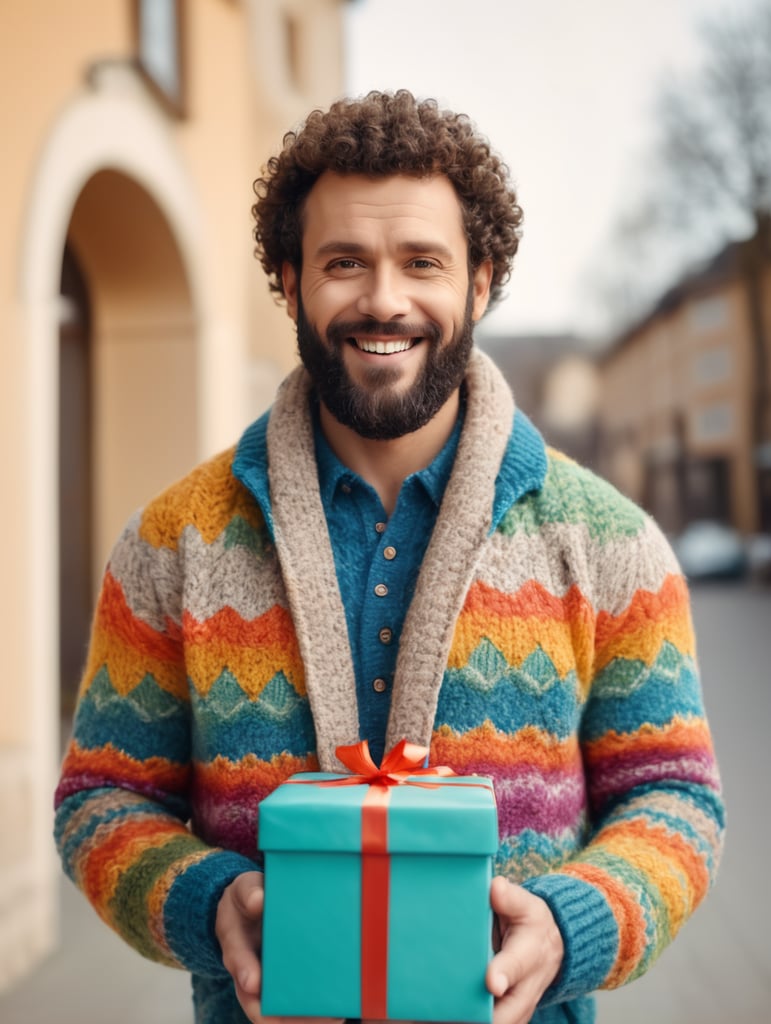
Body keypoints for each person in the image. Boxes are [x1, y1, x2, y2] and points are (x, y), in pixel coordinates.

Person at [54, 90, 725, 1024]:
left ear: (479, 281)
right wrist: (208, 901)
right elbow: (100, 799)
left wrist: (578, 925)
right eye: (343, 263)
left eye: (422, 262)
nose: (383, 299)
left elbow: (674, 798)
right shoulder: (172, 544)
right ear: (289, 281)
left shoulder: (612, 546)